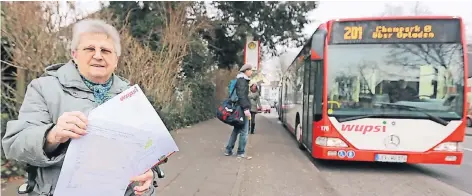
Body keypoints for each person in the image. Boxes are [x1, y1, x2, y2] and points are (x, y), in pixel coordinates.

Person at [1, 19, 159, 196]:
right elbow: (15, 143)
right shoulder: (44, 88)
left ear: (116, 60)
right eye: (90, 49)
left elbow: (148, 148)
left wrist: (147, 172)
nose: (98, 55)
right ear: (74, 54)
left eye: (106, 50)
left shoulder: (130, 95)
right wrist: (52, 135)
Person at [224, 64, 253, 158]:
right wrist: (246, 108)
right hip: (241, 108)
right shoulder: (242, 81)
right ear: (246, 71)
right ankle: (240, 152)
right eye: (250, 70)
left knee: (236, 129)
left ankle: (228, 150)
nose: (251, 72)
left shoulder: (240, 80)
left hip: (238, 107)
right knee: (244, 131)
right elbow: (241, 96)